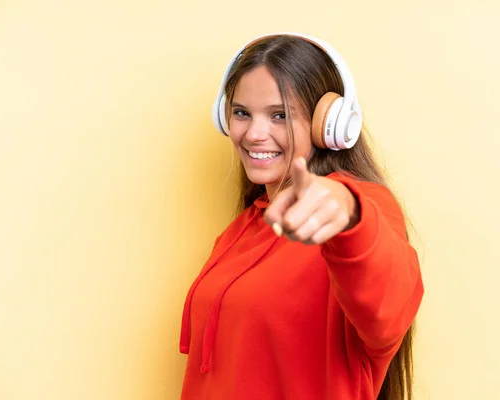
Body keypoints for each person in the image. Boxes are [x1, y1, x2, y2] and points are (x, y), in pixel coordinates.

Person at [179, 32, 424, 400]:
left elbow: (389, 303)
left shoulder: (360, 208)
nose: (254, 134)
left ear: (328, 125)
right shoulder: (241, 229)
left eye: (279, 115)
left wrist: (349, 212)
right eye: (242, 113)